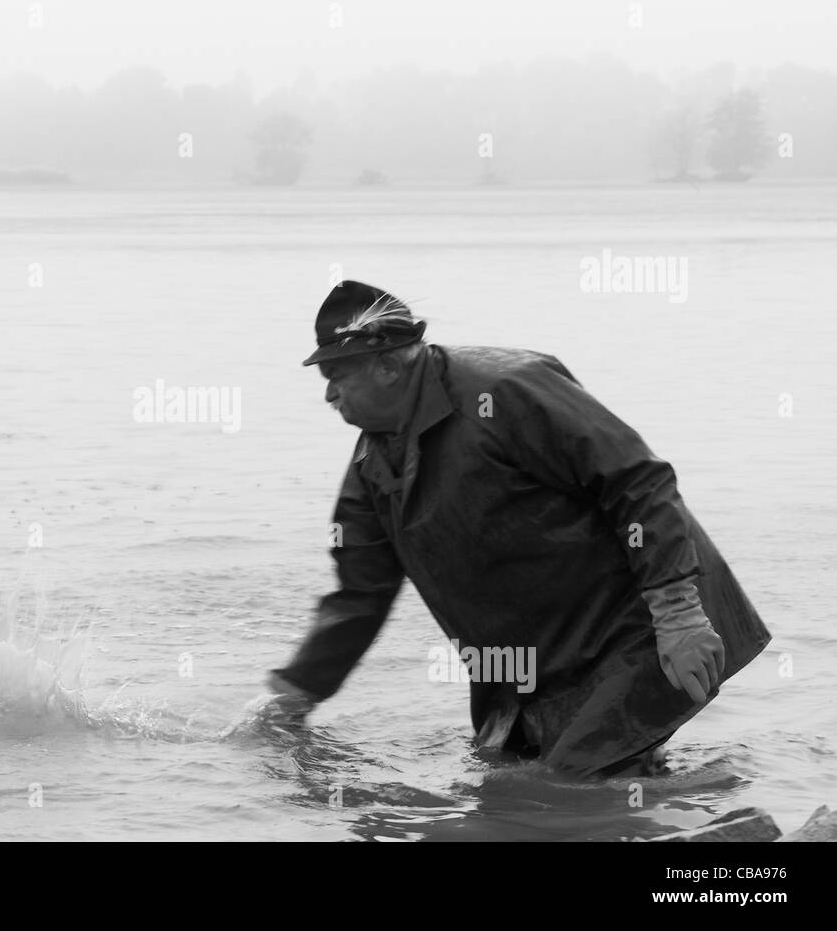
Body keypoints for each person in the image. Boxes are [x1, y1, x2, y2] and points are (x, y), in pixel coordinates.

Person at [265, 280, 772, 776]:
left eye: (337, 374)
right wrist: (294, 696)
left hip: (638, 628)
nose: (329, 394)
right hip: (523, 669)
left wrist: (678, 612)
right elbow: (360, 594)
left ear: (389, 365)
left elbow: (637, 479)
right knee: (506, 782)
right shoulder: (373, 464)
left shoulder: (506, 388)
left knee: (570, 792)